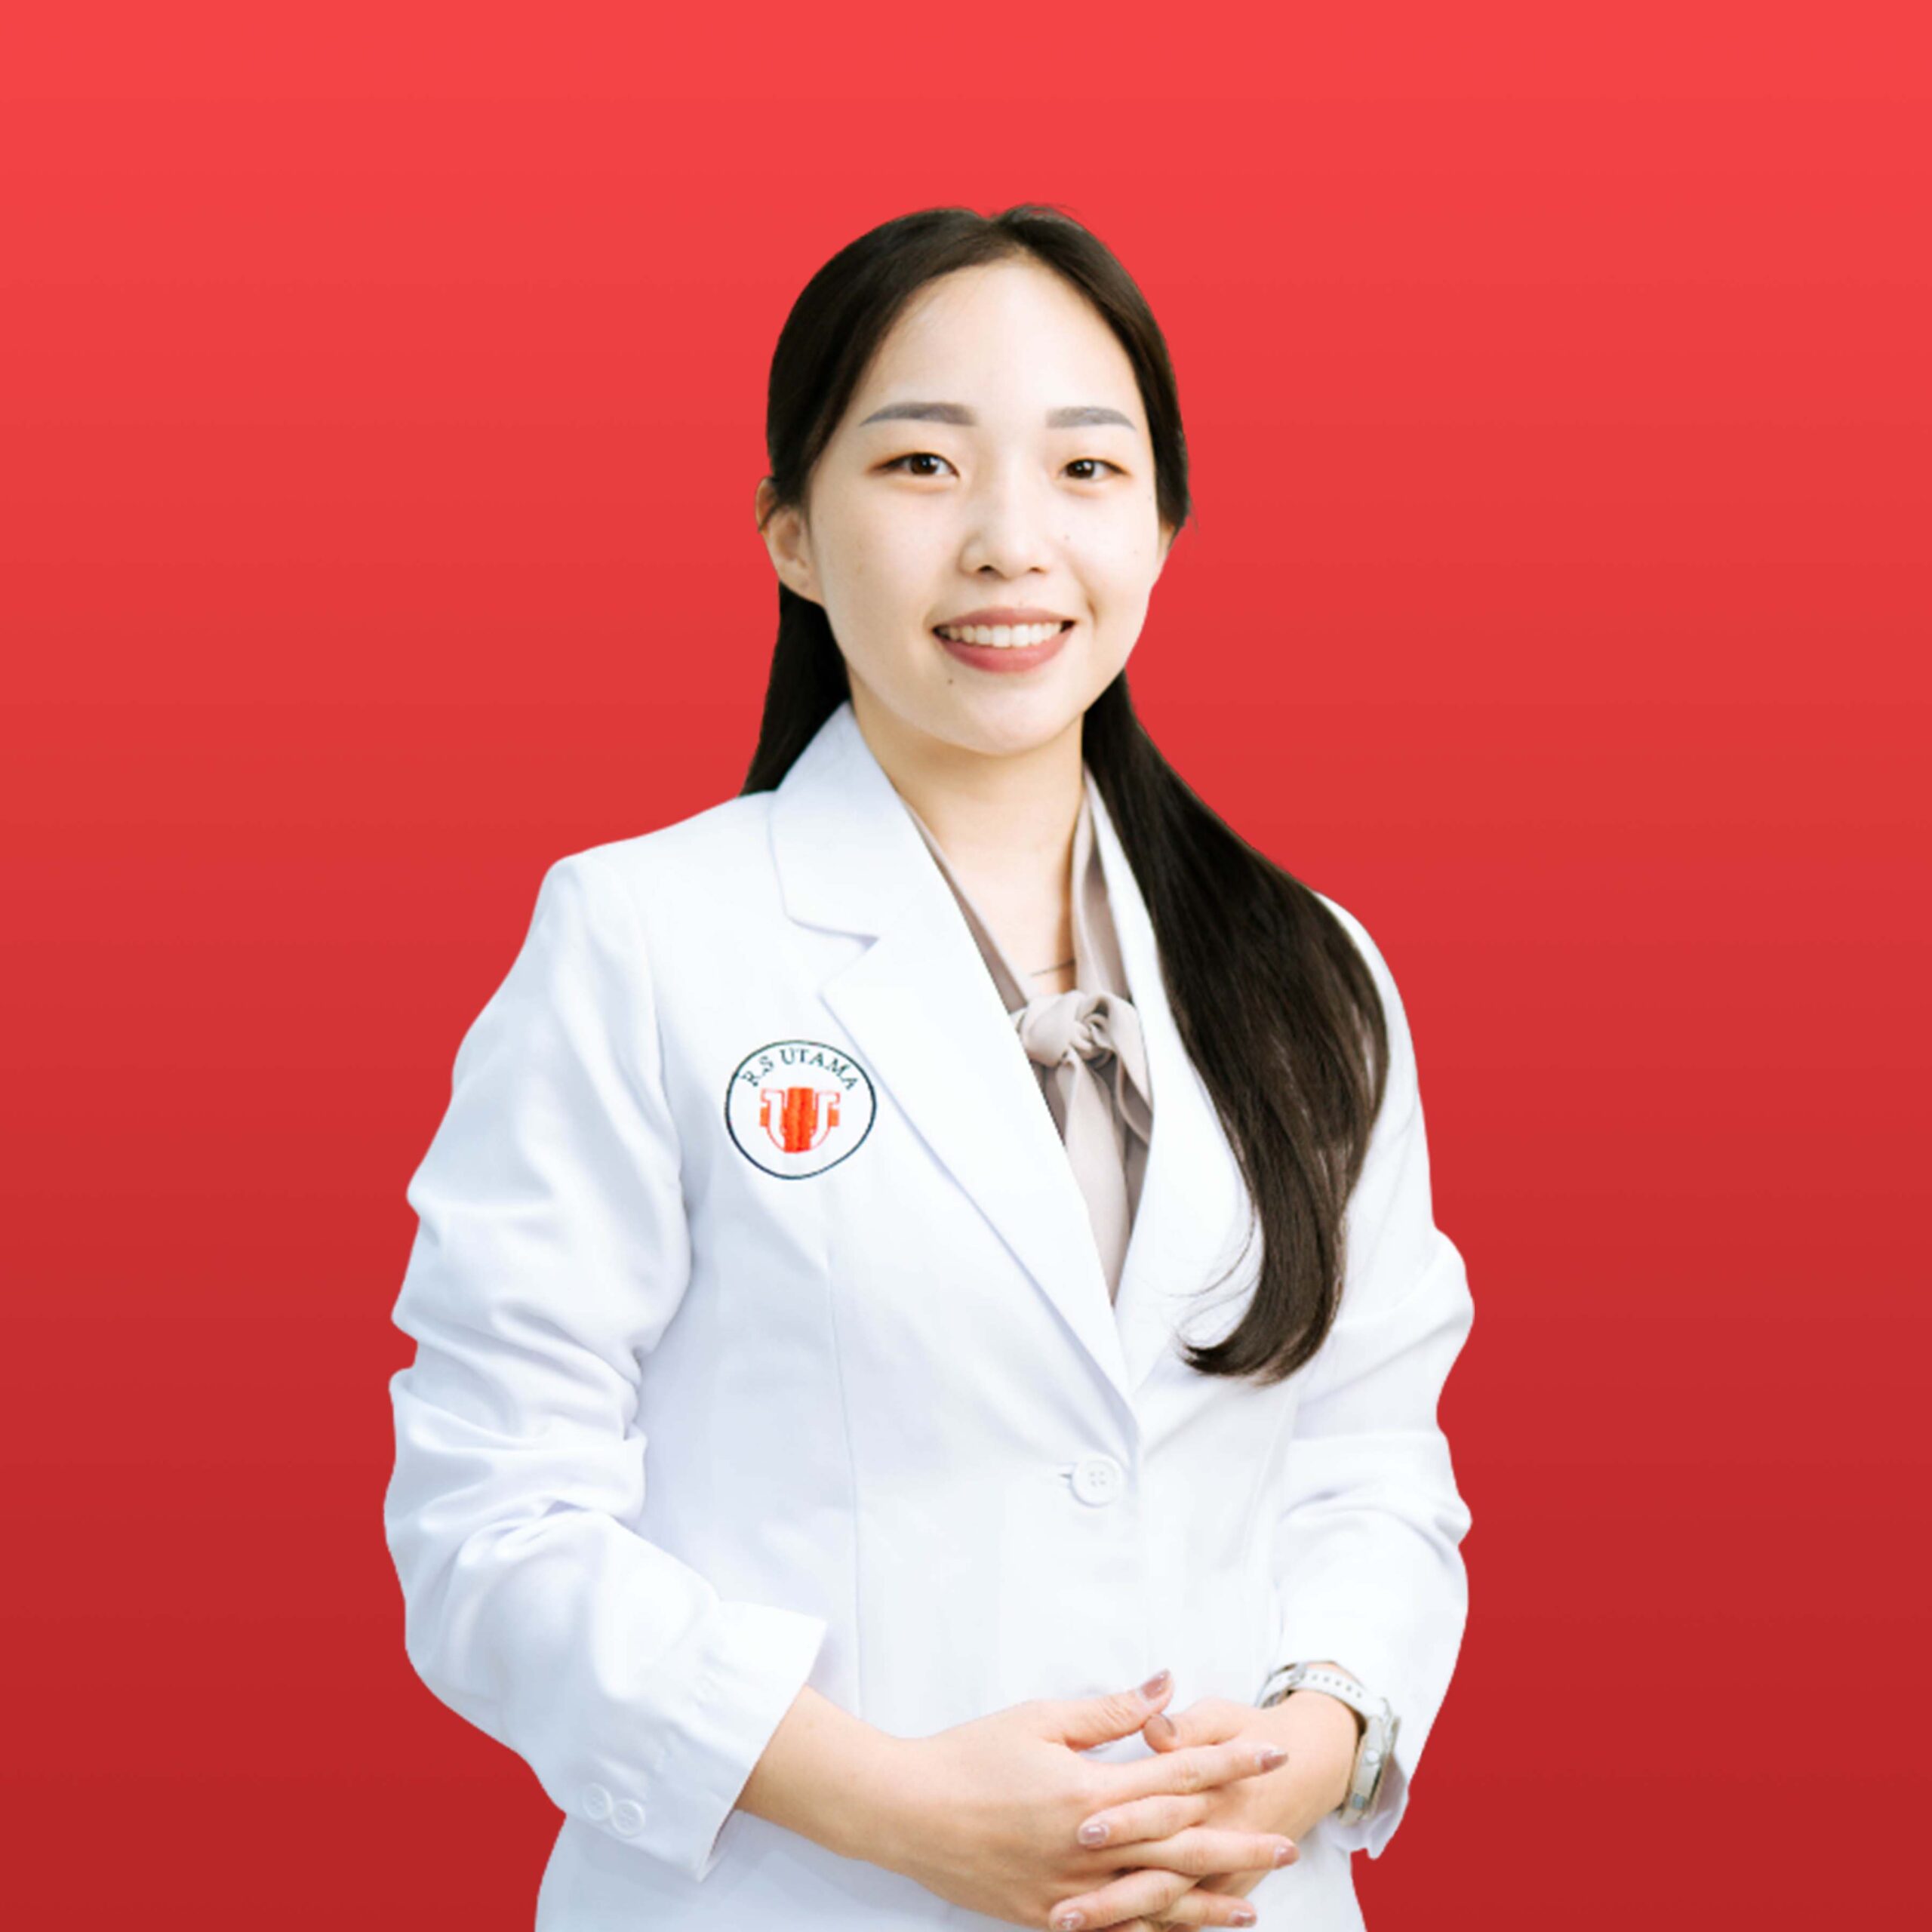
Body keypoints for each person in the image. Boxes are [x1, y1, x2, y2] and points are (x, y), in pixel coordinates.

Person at [383, 204, 1474, 1932]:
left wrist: (1315, 1734)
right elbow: (492, 1518)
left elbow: (1368, 1456)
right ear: (792, 534)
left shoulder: (1304, 971)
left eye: (1084, 468)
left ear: (1162, 527)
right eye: (919, 465)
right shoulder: (642, 939)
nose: (1008, 542)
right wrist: (893, 1805)